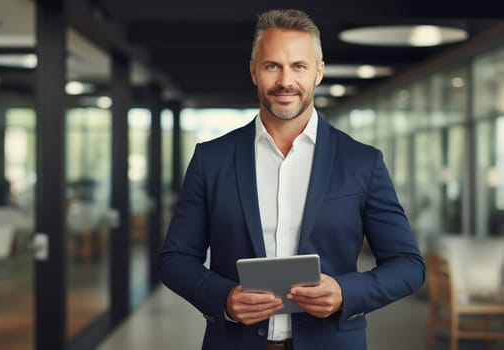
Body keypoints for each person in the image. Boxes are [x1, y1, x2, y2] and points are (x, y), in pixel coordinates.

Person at [159, 8, 425, 350]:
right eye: (273, 66)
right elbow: (175, 259)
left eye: (299, 66)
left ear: (318, 72)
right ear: (254, 71)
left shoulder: (362, 162)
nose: (286, 81)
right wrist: (224, 298)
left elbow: (408, 266)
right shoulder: (211, 159)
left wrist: (346, 292)